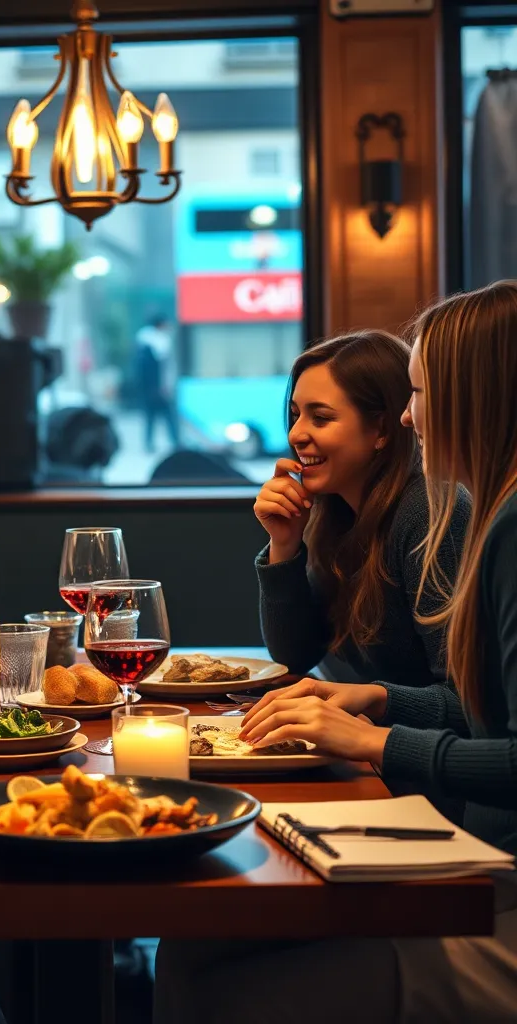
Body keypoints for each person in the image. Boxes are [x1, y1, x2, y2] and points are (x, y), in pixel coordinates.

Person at [157, 283, 517, 1023]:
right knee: (194, 941)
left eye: (421, 394)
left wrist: (376, 731)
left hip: (472, 845)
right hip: (445, 814)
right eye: (295, 414)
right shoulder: (351, 515)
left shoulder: (448, 515)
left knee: (211, 973)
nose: (415, 417)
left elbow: (478, 721)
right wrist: (285, 550)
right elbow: (301, 654)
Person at [254, 330, 470, 688]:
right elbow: (293, 657)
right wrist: (284, 546)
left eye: (320, 418)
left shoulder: (428, 513)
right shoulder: (337, 515)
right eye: (296, 415)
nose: (296, 434)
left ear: (381, 430)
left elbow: (463, 699)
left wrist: (360, 707)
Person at [134, 314, 178, 452]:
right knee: (167, 416)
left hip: (149, 389)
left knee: (151, 417)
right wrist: (160, 387)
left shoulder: (143, 342)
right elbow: (160, 369)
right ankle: (175, 442)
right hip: (156, 388)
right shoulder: (156, 343)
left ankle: (150, 443)